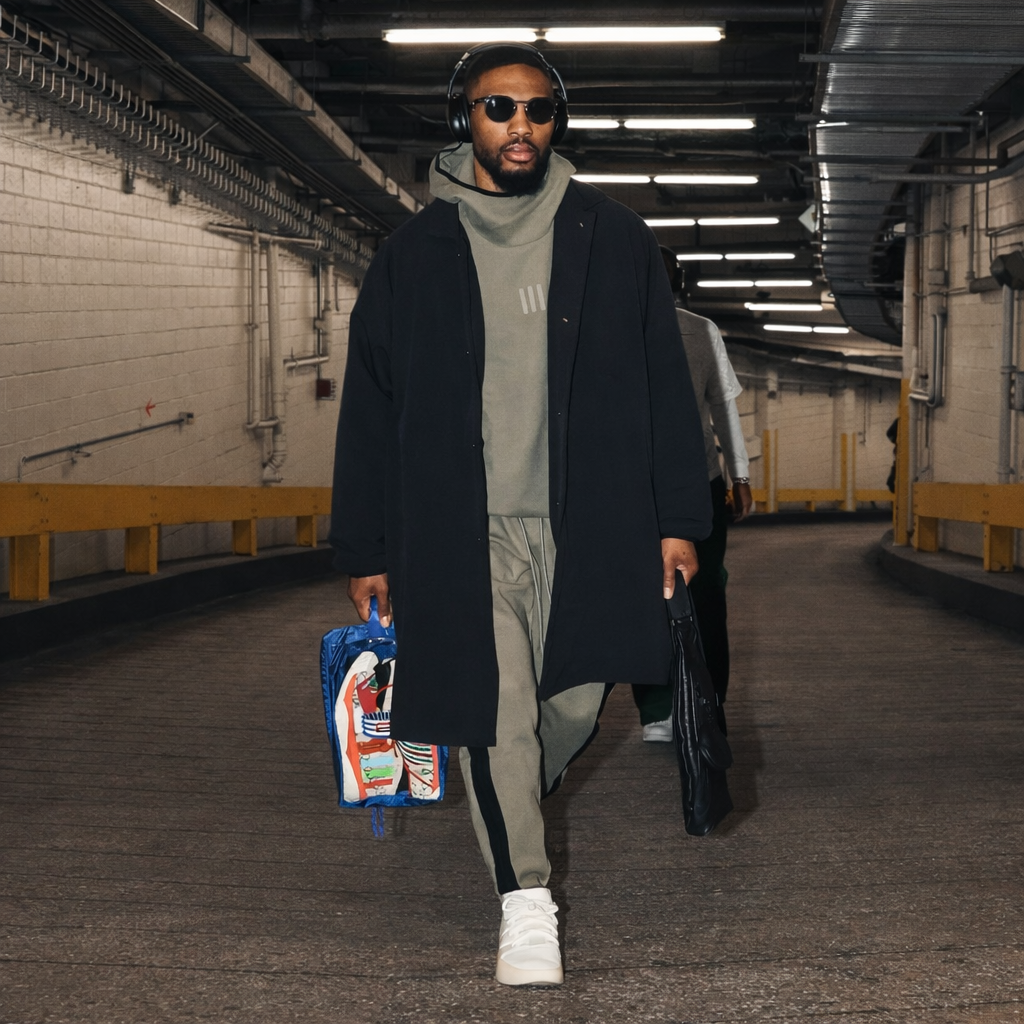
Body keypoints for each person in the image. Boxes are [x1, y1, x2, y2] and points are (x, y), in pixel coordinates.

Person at [329, 42, 711, 987]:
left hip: (592, 523)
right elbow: (370, 405)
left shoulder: (611, 237)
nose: (520, 128)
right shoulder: (413, 253)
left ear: (556, 121)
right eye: (499, 109)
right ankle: (525, 902)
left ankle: (498, 801)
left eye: (538, 111)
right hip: (460, 531)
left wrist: (677, 518)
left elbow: (667, 385)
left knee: (573, 705)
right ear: (466, 119)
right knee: (496, 708)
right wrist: (369, 541)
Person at [633, 247, 753, 742]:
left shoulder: (701, 330)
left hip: (697, 484)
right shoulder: (602, 326)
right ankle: (662, 708)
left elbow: (722, 407)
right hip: (633, 489)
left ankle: (705, 700)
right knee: (649, 598)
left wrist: (739, 475)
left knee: (702, 594)